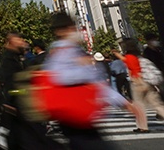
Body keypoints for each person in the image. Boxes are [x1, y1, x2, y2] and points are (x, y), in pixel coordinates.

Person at [44, 13, 134, 148]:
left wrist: (122, 102)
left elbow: (96, 82)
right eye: (71, 28)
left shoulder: (70, 50)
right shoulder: (62, 51)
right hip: (74, 115)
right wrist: (81, 69)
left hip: (81, 116)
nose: (75, 31)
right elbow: (56, 76)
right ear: (61, 31)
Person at [118, 39, 164, 133]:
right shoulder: (140, 56)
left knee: (139, 106)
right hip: (148, 82)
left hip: (138, 82)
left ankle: (142, 127)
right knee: (157, 104)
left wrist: (138, 81)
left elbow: (133, 68)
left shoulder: (130, 57)